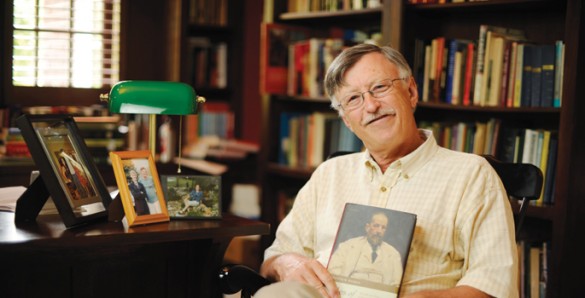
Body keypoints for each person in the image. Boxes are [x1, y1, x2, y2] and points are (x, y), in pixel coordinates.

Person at [257, 43, 518, 298]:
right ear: (347, 120)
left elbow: (495, 285)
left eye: (379, 87)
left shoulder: (471, 175)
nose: (371, 106)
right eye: (353, 99)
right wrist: (286, 263)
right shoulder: (329, 174)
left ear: (411, 91)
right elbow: (273, 259)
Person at [327, 211, 403, 287]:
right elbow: (333, 271)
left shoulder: (393, 254)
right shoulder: (347, 246)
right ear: (367, 227)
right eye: (376, 226)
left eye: (383, 228)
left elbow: (396, 284)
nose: (379, 231)